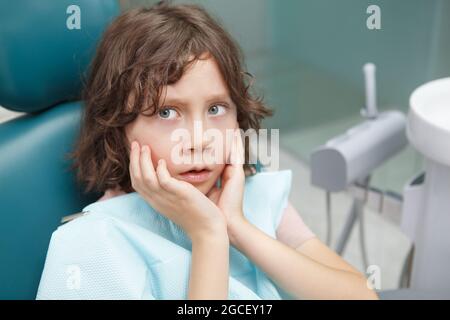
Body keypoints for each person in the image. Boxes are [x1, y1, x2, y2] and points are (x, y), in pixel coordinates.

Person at [37, 1, 378, 300]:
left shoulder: (252, 192)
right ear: (116, 129)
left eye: (216, 109)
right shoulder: (89, 247)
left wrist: (238, 228)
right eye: (166, 112)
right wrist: (208, 235)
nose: (199, 140)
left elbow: (362, 296)